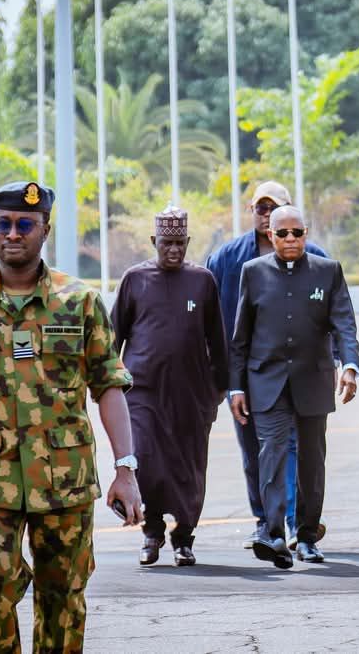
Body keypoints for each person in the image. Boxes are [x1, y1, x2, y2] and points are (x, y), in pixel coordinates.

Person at [0, 181, 143, 652]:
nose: (12, 234)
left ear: (45, 230)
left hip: (65, 479)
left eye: (24, 225)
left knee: (63, 598)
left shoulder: (79, 302)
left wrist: (127, 469)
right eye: (3, 224)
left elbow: (109, 387)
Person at [230, 205, 359, 568]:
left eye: (297, 233)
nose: (290, 239)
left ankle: (305, 536)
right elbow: (240, 336)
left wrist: (350, 366)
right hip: (266, 381)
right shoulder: (252, 272)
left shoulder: (328, 271)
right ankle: (272, 534)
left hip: (313, 380)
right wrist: (235, 387)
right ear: (269, 235)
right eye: (282, 233)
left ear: (307, 233)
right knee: (270, 451)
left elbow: (344, 324)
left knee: (311, 461)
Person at [206, 180, 330, 549]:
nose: (266, 214)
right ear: (252, 213)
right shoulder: (227, 258)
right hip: (245, 372)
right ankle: (265, 520)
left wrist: (338, 360)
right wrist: (220, 374)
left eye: (274, 208)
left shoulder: (317, 259)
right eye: (261, 208)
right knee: (253, 450)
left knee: (292, 446)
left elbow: (332, 316)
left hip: (300, 373)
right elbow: (212, 317)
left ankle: (293, 523)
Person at [111, 206, 230, 567]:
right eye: (167, 243)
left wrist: (219, 390)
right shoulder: (135, 279)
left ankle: (183, 537)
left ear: (188, 242)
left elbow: (217, 340)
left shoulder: (202, 281)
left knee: (189, 467)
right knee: (144, 458)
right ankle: (151, 533)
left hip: (191, 394)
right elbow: (115, 334)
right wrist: (108, 383)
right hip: (142, 391)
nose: (174, 250)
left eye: (180, 243)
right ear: (154, 241)